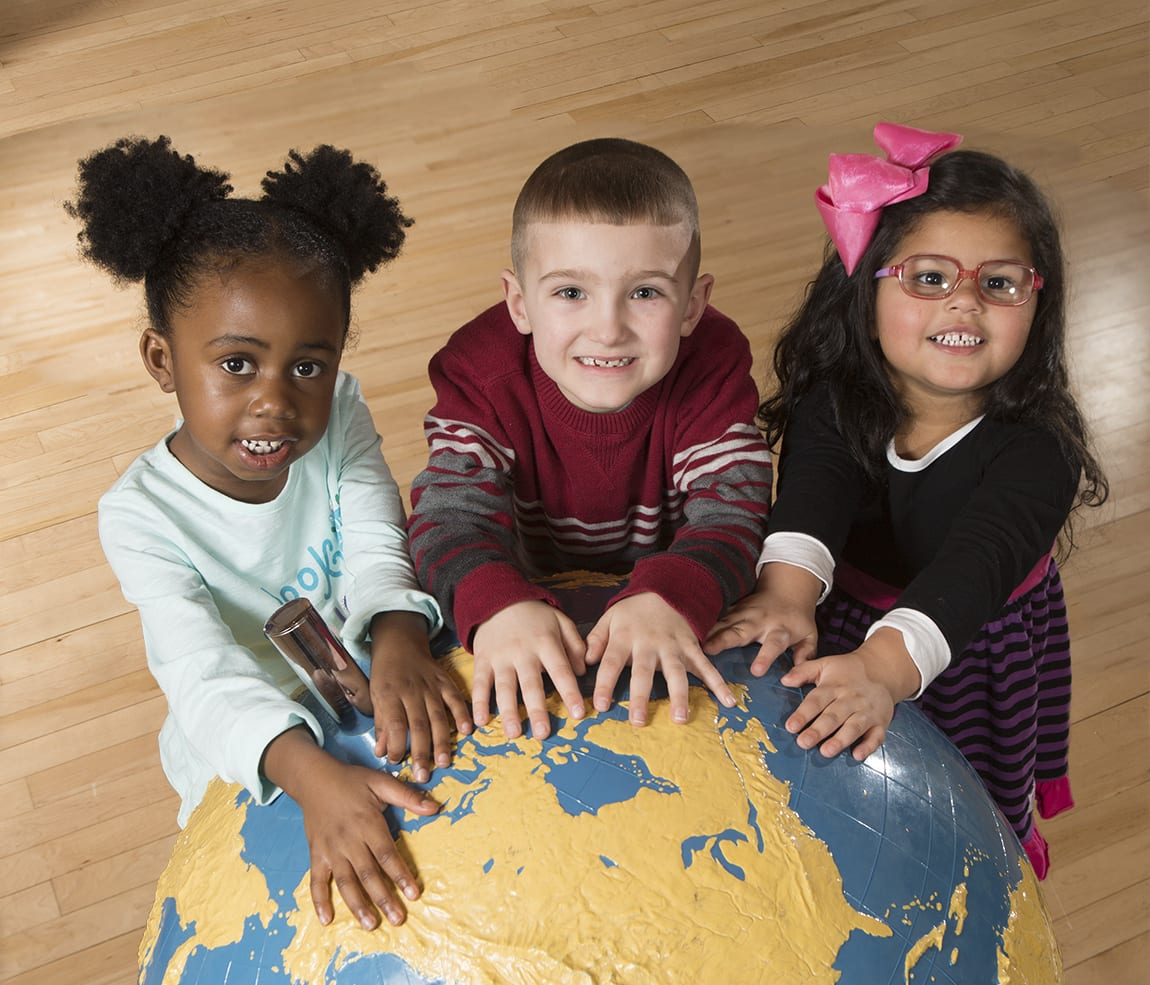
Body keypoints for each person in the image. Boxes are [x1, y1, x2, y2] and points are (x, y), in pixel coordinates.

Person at [67, 136, 473, 929]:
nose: (276, 403)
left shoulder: (344, 411)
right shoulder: (139, 514)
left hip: (373, 676)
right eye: (237, 364)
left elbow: (375, 537)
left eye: (308, 366)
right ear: (162, 357)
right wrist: (312, 777)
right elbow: (203, 675)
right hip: (258, 737)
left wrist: (396, 635)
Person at [706, 123, 1108, 878]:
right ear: (867, 286)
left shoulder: (1040, 448)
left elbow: (973, 571)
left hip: (970, 639)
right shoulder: (836, 394)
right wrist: (785, 597)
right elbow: (813, 497)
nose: (963, 305)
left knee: (960, 803)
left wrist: (885, 670)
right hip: (844, 612)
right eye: (928, 278)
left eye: (999, 283)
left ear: (1037, 301)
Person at [407, 137, 773, 741]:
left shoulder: (711, 362)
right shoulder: (480, 372)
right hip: (530, 591)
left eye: (646, 292)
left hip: (677, 591)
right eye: (571, 292)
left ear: (693, 307)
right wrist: (496, 603)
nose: (608, 329)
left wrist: (671, 594)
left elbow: (733, 509)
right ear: (520, 304)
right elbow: (449, 517)